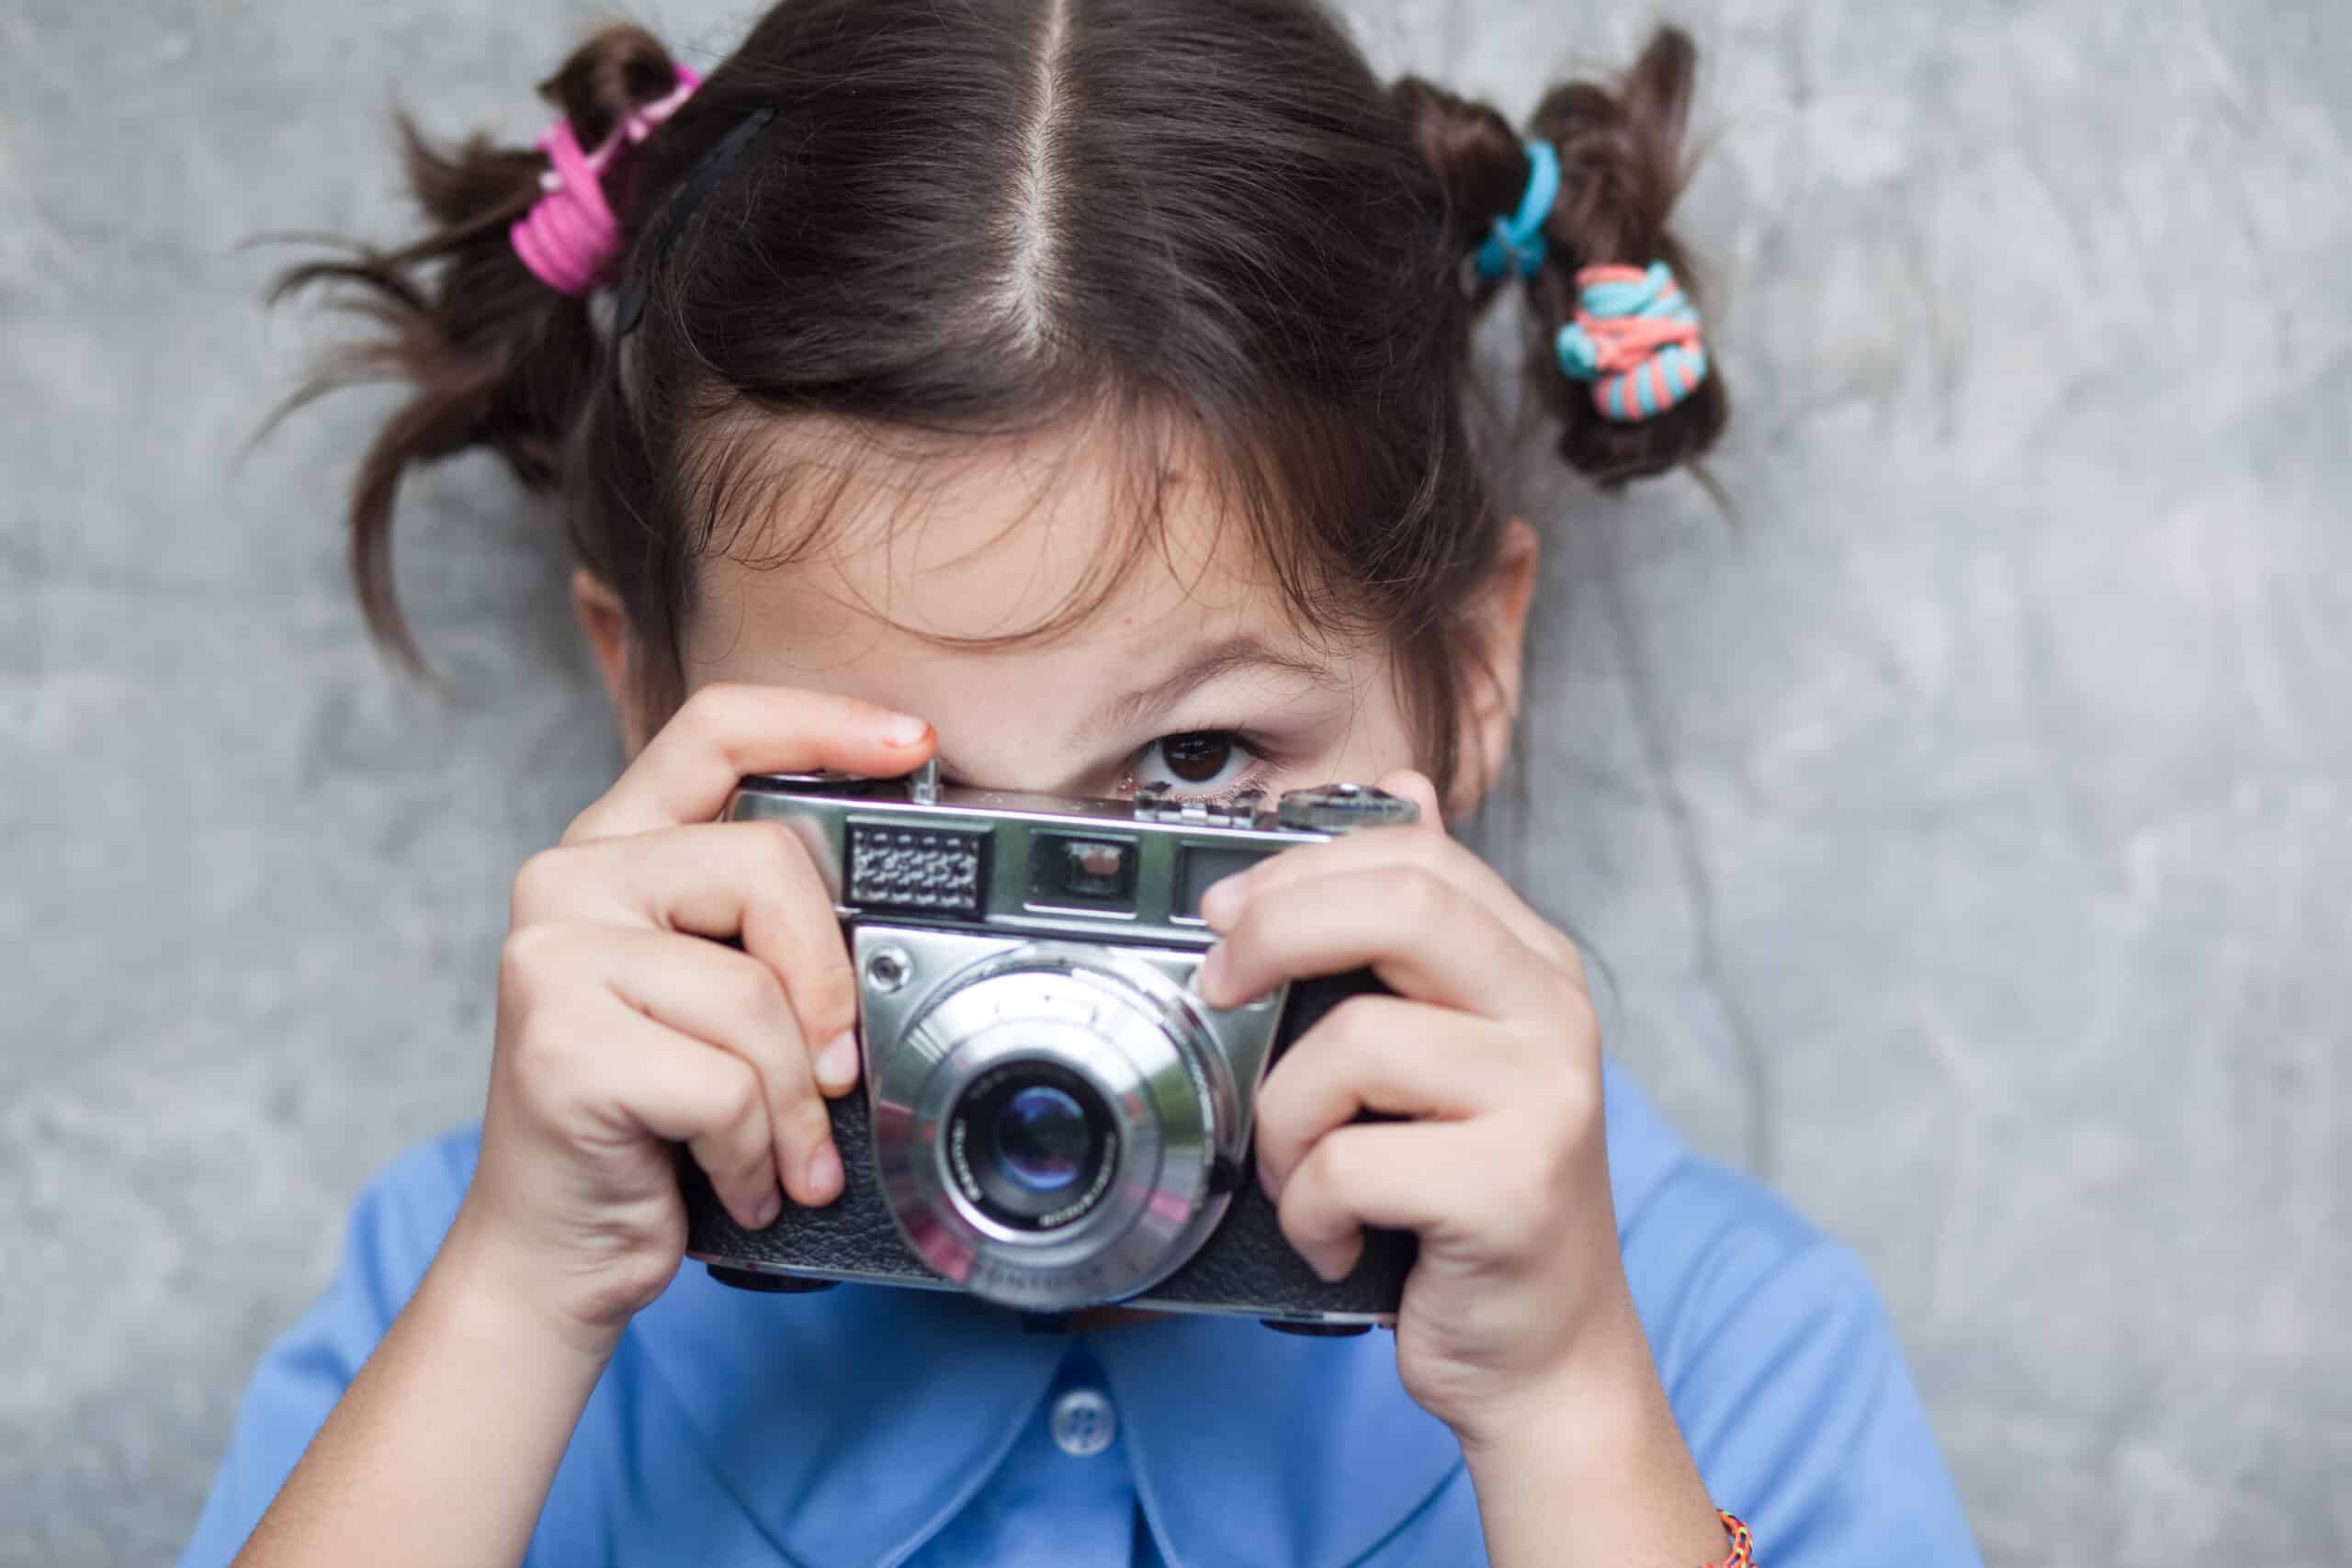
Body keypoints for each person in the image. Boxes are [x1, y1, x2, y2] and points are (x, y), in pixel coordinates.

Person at [183, 2, 1981, 1562]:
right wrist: (512, 1305)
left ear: (1475, 665)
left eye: (1195, 763)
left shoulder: (1714, 1337)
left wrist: (1573, 1419)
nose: (1047, 990)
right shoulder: (484, 1272)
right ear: (644, 693)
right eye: (880, 793)